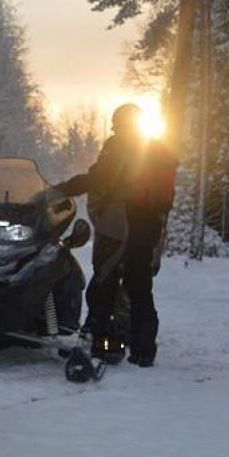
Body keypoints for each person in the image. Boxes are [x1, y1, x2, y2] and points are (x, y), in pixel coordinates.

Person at [51, 104, 176, 367]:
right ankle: (143, 351)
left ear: (121, 124)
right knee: (140, 288)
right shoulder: (156, 150)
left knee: (103, 284)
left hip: (120, 224)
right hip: (148, 227)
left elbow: (97, 178)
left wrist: (61, 190)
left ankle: (98, 343)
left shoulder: (119, 147)